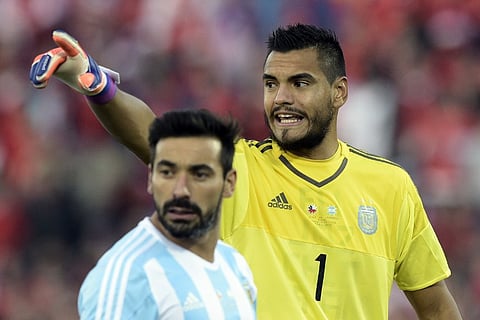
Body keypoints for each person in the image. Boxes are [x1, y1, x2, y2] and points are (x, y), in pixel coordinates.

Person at [30, 26, 462, 319]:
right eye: (271, 84)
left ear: (340, 92)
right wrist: (94, 82)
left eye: (301, 83)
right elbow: (152, 135)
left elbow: (437, 305)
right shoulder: (241, 167)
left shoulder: (391, 188)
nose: (281, 98)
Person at [76, 109, 257, 319]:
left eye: (199, 174)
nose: (180, 190)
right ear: (150, 178)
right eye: (167, 173)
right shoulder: (127, 279)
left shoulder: (235, 266)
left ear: (229, 183)